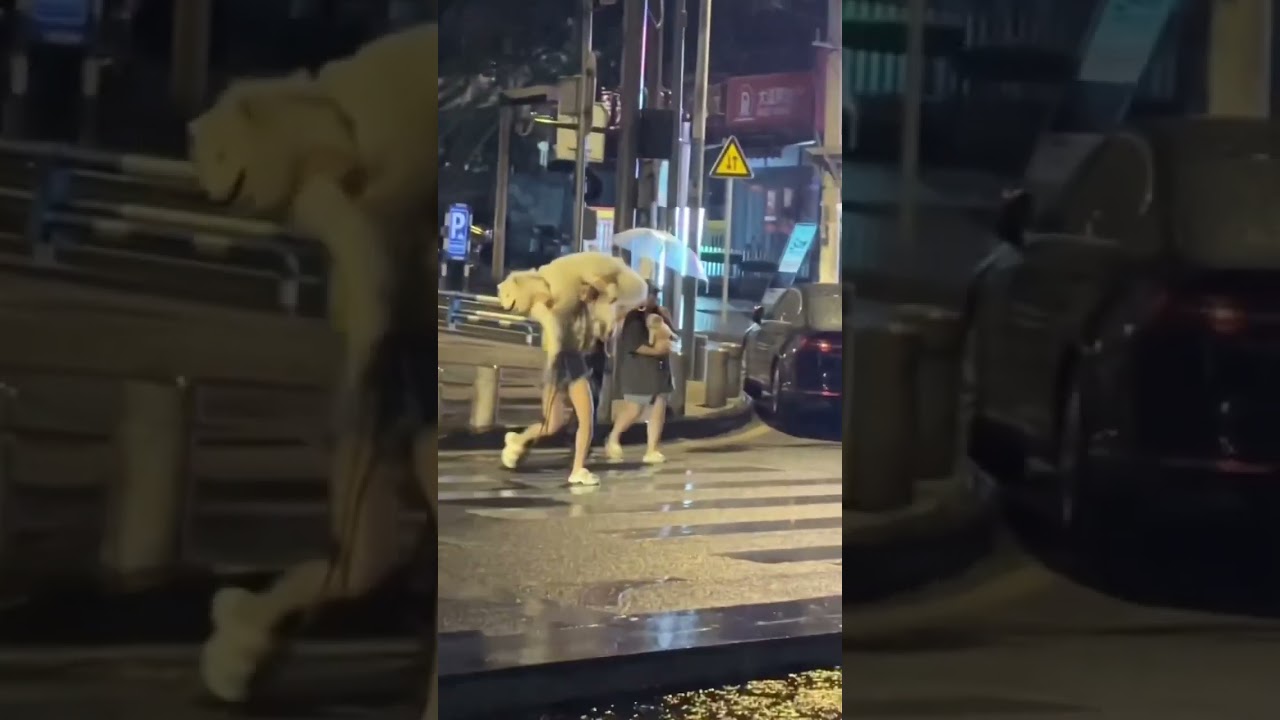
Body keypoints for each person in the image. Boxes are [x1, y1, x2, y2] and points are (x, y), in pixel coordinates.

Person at [501, 286, 606, 486]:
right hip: (561, 362)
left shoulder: (586, 310)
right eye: (582, 289)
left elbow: (594, 336)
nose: (585, 294)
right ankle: (519, 440)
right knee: (552, 424)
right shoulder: (559, 307)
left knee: (586, 419)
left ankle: (578, 469)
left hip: (574, 362)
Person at [605, 287, 674, 464]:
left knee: (659, 409)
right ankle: (613, 437)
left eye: (655, 295)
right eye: (650, 294)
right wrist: (656, 351)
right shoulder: (633, 318)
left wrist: (666, 326)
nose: (654, 298)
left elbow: (671, 335)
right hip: (638, 371)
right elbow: (634, 346)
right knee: (634, 409)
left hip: (660, 370)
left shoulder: (660, 314)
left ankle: (652, 449)